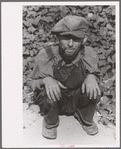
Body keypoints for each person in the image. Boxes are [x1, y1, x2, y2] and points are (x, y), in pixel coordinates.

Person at [26, 15, 102, 139]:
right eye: (66, 38)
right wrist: (46, 80)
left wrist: (92, 77)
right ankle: (50, 122)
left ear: (84, 40)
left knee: (95, 89)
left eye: (76, 38)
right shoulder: (46, 54)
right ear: (58, 37)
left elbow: (97, 75)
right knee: (48, 92)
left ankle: (84, 116)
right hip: (55, 100)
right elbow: (29, 82)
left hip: (76, 98)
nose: (70, 44)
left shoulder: (89, 54)